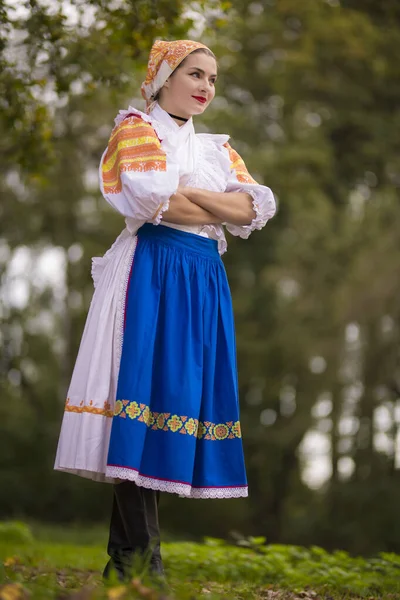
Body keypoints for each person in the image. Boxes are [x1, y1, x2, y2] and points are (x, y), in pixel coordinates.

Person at [54, 39, 276, 581]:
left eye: (213, 78)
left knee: (171, 403)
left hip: (201, 277)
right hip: (150, 273)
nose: (206, 86)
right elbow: (154, 201)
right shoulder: (136, 129)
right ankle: (144, 562)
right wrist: (208, 203)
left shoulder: (216, 149)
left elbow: (252, 207)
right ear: (164, 78)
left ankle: (125, 563)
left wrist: (191, 196)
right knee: (138, 402)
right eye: (194, 74)